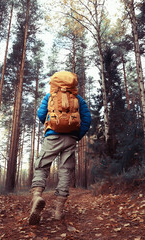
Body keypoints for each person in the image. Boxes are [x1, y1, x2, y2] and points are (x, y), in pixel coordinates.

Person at [29, 71, 91, 225]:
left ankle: (37, 196)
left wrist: (51, 124)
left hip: (52, 136)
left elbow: (40, 114)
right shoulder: (77, 98)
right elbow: (87, 119)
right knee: (65, 171)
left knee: (42, 166)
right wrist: (77, 135)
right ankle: (58, 211)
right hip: (70, 138)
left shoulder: (50, 96)